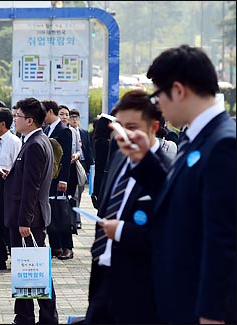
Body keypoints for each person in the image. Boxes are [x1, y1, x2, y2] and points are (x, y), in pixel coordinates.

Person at [115, 45, 236, 324]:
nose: (157, 105)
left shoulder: (223, 143)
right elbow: (182, 200)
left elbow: (223, 238)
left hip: (199, 309)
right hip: (179, 300)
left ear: (179, 90)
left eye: (158, 95)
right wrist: (144, 160)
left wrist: (212, 313)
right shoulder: (196, 136)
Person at [85, 89, 172, 324]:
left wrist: (122, 231)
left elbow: (169, 233)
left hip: (140, 284)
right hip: (103, 274)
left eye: (132, 127)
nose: (124, 134)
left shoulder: (166, 171)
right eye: (119, 126)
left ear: (153, 127)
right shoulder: (119, 156)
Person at [3, 97, 59, 325]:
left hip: (29, 219)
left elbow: (33, 187)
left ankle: (45, 317)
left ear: (29, 120)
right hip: (29, 216)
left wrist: (24, 221)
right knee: (27, 270)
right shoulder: (33, 140)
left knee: (35, 270)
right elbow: (26, 180)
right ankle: (25, 316)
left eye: (16, 116)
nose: (14, 119)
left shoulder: (36, 144)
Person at [0, 108, 22, 271]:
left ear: (2, 124)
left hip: (8, 186)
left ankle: (16, 258)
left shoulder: (14, 141)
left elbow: (18, 167)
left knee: (8, 225)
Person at [42, 102, 74, 260]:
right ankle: (55, 246)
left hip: (59, 178)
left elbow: (66, 158)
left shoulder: (64, 130)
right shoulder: (47, 129)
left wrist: (64, 180)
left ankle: (67, 246)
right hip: (48, 177)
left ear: (49, 111)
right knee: (51, 212)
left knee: (62, 211)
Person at [68, 108, 94, 228]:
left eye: (76, 117)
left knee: (80, 192)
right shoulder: (67, 131)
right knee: (74, 194)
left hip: (82, 164)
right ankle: (75, 220)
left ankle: (75, 218)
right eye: (72, 117)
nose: (74, 119)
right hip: (72, 164)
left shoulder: (84, 132)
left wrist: (90, 167)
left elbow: (88, 150)